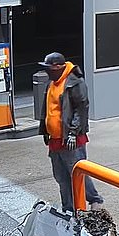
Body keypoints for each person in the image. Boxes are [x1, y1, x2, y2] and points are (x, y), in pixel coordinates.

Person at [38, 52, 104, 213]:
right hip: (55, 139)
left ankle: (94, 199)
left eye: (49, 68)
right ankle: (68, 207)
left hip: (70, 138)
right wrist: (45, 130)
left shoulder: (74, 83)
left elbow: (81, 109)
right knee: (61, 176)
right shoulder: (51, 84)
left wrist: (73, 132)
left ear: (58, 67)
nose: (47, 71)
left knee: (77, 171)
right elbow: (47, 109)